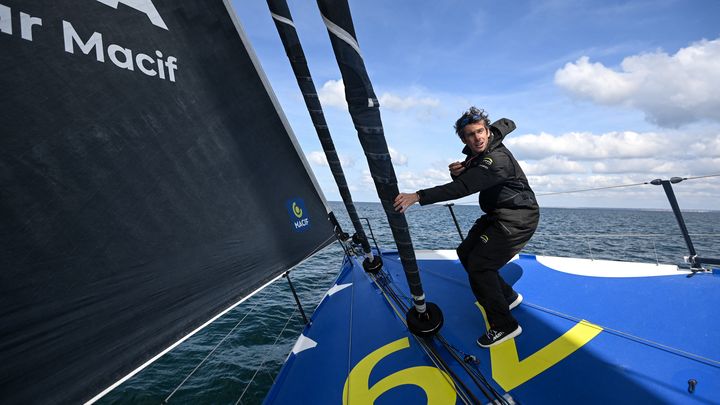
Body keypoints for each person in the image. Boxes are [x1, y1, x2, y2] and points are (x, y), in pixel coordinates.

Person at [393, 106, 539, 348]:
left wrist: (417, 196)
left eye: (480, 131)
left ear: (488, 130)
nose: (478, 138)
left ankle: (505, 325)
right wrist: (461, 170)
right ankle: (507, 297)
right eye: (471, 134)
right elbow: (471, 175)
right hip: (498, 215)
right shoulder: (480, 154)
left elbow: (462, 188)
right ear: (463, 138)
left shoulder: (497, 159)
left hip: (517, 219)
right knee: (465, 252)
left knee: (480, 266)